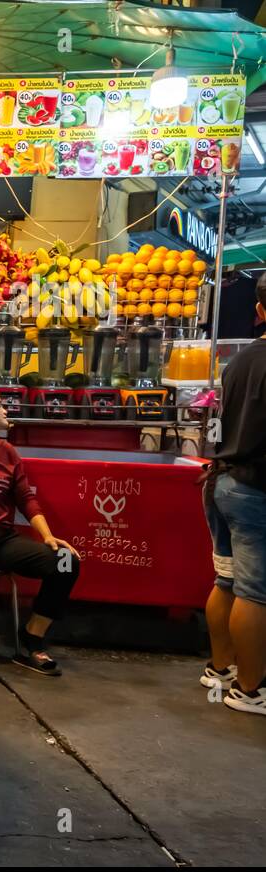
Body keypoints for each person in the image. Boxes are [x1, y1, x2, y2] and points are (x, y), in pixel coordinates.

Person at [0, 392, 81, 676]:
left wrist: (48, 536)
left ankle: (32, 637)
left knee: (66, 562)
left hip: (2, 540)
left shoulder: (8, 452)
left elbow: (26, 498)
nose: (6, 410)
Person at [201, 273, 266, 717]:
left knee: (227, 581)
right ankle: (249, 689)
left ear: (259, 311)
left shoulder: (239, 359)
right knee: (255, 592)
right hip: (254, 488)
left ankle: (220, 668)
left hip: (222, 483)